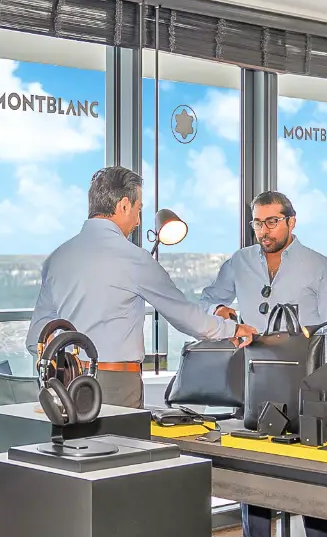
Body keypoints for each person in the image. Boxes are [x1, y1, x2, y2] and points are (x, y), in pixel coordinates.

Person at [209, 190, 327, 537]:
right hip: (257, 378)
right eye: (257, 222)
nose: (263, 230)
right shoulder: (239, 262)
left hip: (306, 379)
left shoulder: (320, 266)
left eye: (271, 221)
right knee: (254, 468)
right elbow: (210, 298)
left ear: (291, 221)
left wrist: (326, 384)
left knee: (307, 471)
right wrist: (221, 312)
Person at [29, 166, 257, 409]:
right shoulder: (134, 259)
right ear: (124, 205)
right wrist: (233, 329)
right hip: (115, 384)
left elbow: (35, 338)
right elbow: (185, 317)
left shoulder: (57, 258)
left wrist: (69, 363)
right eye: (138, 210)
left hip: (66, 384)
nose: (138, 222)